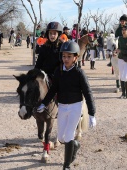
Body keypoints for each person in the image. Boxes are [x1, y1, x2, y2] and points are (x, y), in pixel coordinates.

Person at [37, 41, 96, 170]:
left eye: (69, 56)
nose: (66, 59)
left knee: (69, 135)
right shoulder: (59, 71)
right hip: (62, 106)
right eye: (64, 56)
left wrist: (92, 113)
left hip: (75, 106)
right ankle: (75, 145)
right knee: (61, 137)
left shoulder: (79, 73)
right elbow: (53, 90)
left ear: (75, 57)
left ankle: (66, 165)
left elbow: (88, 92)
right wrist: (44, 103)